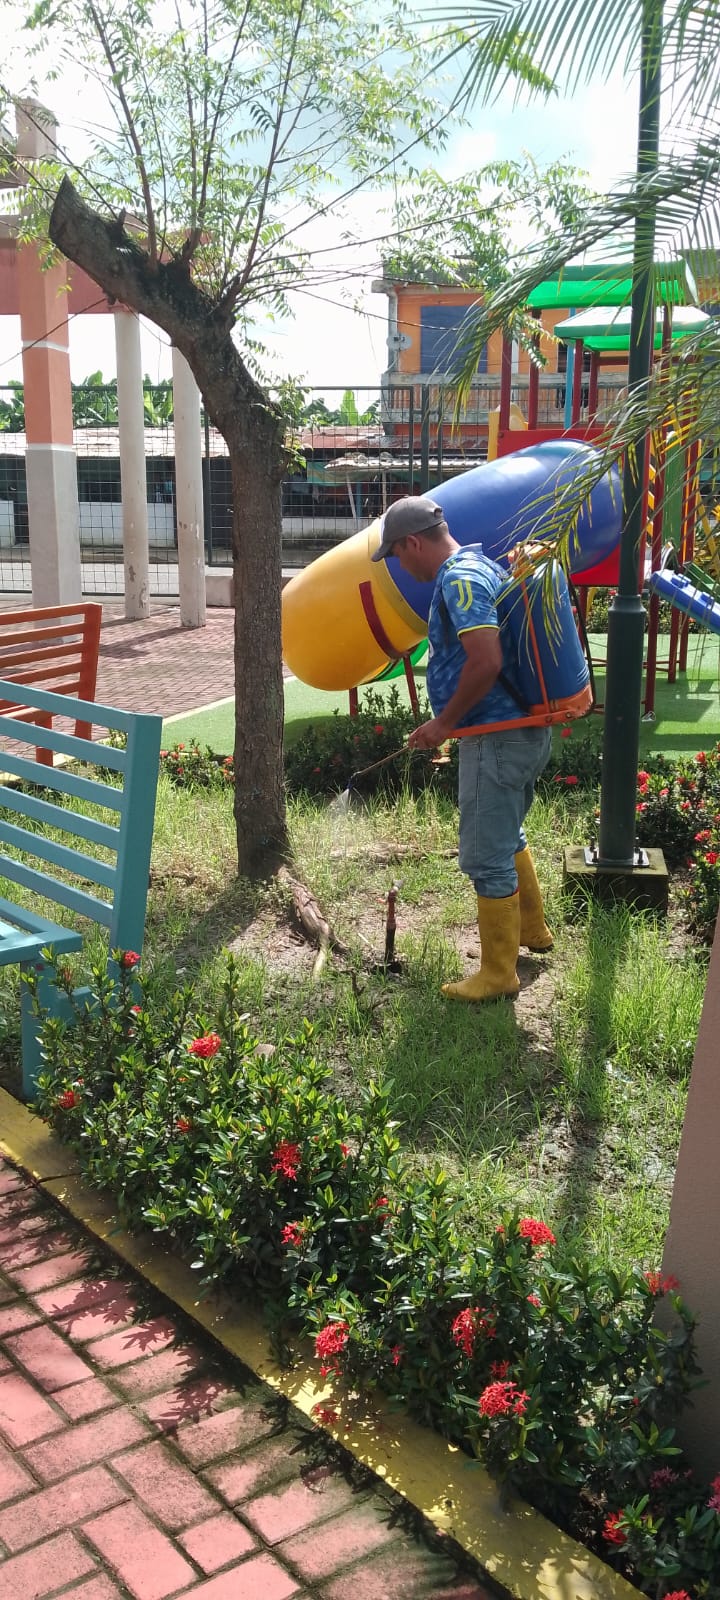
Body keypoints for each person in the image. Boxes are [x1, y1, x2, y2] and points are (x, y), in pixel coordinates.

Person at [372, 495, 553, 1002]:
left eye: (396, 554)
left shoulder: (459, 579)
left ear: (412, 543)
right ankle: (532, 929)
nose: (400, 565)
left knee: (485, 856)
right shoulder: (482, 565)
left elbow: (486, 660)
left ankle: (498, 974)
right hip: (520, 732)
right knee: (507, 835)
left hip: (494, 738)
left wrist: (444, 723)